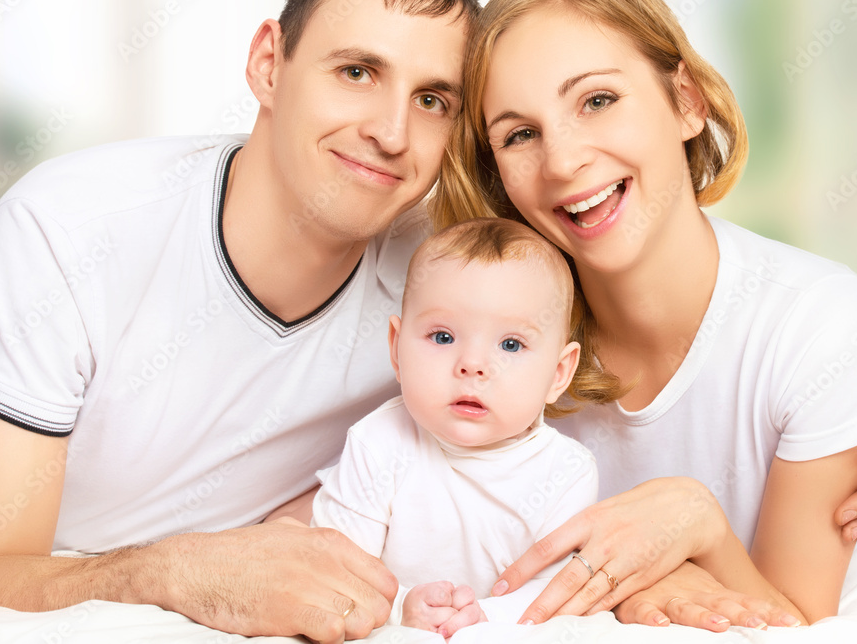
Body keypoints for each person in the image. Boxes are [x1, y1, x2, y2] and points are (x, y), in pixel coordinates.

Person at [0, 0, 479, 642]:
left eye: (433, 98)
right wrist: (175, 571)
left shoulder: (446, 292)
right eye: (356, 71)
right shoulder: (67, 229)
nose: (391, 130)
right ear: (268, 66)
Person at [432, 0, 857, 630]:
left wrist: (701, 524)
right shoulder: (479, 336)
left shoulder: (821, 329)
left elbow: (796, 622)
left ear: (687, 101)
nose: (563, 160)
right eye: (519, 135)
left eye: (598, 100)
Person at [312, 216, 812, 638]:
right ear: (397, 348)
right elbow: (334, 570)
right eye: (442, 336)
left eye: (510, 345)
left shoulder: (564, 471)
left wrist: (486, 616)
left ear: (558, 374)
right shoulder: (376, 443)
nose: (471, 364)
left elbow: (562, 592)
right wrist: (404, 607)